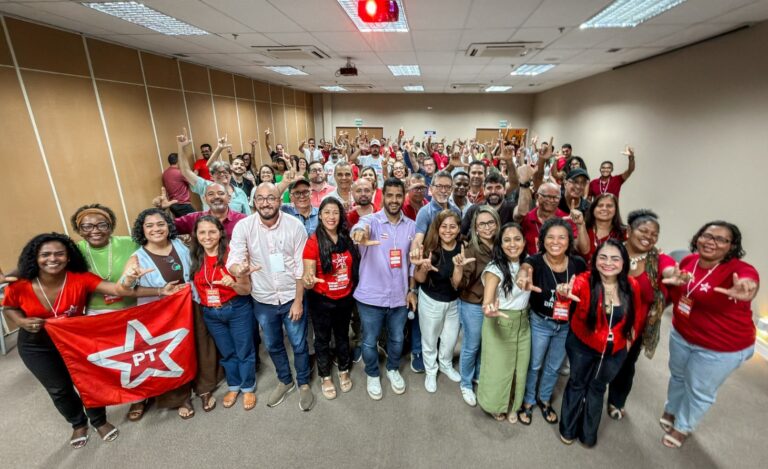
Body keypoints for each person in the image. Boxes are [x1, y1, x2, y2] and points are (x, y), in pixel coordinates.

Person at [1, 233, 179, 449]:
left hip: (74, 340)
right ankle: (78, 424)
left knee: (88, 381)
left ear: (68, 257)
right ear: (35, 258)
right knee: (58, 388)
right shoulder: (21, 284)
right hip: (36, 345)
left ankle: (99, 421)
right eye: (45, 255)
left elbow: (117, 290)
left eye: (59, 254)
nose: (52, 259)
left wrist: (144, 284)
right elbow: (9, 308)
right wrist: (21, 321)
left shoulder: (80, 278)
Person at [658, 221, 759, 449]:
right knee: (678, 376)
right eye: (707, 236)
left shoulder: (737, 270)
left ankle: (683, 426)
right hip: (682, 335)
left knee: (699, 390)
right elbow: (676, 288)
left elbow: (749, 278)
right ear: (698, 237)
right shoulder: (688, 262)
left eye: (721, 239)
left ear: (732, 246)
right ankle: (672, 409)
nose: (711, 242)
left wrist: (747, 286)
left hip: (720, 347)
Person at [227, 183, 315, 411]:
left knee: (298, 343)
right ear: (254, 202)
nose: (266, 202)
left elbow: (300, 267)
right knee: (274, 344)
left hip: (290, 296)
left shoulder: (294, 226)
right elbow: (234, 258)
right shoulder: (243, 227)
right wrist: (238, 270)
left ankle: (303, 382)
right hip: (263, 299)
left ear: (280, 200)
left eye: (271, 198)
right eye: (260, 198)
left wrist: (298, 301)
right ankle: (285, 380)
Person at [126, 208, 220, 420]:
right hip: (163, 314)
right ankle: (179, 397)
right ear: (142, 230)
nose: (156, 229)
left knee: (200, 345)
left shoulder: (180, 244)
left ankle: (204, 387)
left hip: (191, 303)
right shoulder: (137, 257)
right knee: (172, 352)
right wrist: (131, 278)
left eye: (160, 224)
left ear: (168, 226)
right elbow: (125, 286)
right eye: (149, 226)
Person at [557, 240, 643, 447]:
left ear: (624, 263)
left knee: (597, 388)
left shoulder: (632, 286)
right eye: (602, 257)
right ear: (595, 260)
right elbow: (567, 294)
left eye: (615, 258)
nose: (608, 263)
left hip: (615, 352)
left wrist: (627, 345)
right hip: (582, 347)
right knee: (577, 384)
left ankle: (588, 433)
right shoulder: (583, 281)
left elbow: (636, 318)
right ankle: (567, 429)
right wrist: (562, 291)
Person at [515, 217, 588, 425]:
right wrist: (522, 276)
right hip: (540, 322)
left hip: (566, 325)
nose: (556, 242)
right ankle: (528, 401)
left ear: (569, 240)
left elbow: (585, 290)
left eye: (562, 237)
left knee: (554, 366)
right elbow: (525, 269)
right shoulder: (535, 261)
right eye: (550, 237)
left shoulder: (578, 264)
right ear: (542, 240)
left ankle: (544, 399)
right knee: (535, 365)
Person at [351, 178, 417, 400]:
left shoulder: (411, 226)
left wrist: (411, 290)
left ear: (403, 196)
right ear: (383, 196)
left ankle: (392, 369)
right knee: (369, 340)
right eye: (390, 195)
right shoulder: (371, 220)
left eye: (399, 195)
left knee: (397, 339)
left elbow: (412, 262)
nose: (394, 200)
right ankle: (372, 373)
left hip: (399, 297)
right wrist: (359, 234)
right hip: (371, 297)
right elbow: (360, 229)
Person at [607, 210, 675, 420]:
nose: (649, 236)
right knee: (597, 359)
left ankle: (616, 400)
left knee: (625, 365)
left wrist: (675, 274)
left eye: (654, 234)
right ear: (629, 231)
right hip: (605, 319)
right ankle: (590, 393)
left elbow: (670, 270)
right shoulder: (612, 250)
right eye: (643, 230)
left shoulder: (659, 259)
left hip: (635, 326)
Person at [189, 216, 257, 411]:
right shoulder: (195, 256)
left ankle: (248, 387)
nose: (207, 236)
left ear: (220, 233)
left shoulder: (231, 256)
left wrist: (234, 283)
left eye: (212, 231)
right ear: (196, 235)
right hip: (211, 312)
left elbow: (246, 290)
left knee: (244, 350)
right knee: (227, 352)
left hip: (236, 308)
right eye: (202, 232)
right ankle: (234, 386)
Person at [302, 198, 359, 399]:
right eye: (327, 212)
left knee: (343, 335)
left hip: (345, 297)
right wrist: (308, 280)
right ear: (320, 215)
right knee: (323, 339)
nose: (331, 217)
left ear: (341, 215)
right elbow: (308, 276)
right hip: (321, 300)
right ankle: (325, 376)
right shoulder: (312, 241)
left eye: (335, 212)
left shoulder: (346, 237)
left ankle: (344, 370)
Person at [478, 222, 532, 421]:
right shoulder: (495, 268)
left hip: (524, 322)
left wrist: (526, 269)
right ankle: (495, 405)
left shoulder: (527, 263)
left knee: (520, 367)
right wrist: (489, 309)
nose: (512, 244)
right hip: (500, 321)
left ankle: (514, 405)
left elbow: (529, 266)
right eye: (506, 240)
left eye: (517, 239)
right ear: (500, 245)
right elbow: (487, 301)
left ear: (525, 242)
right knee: (498, 368)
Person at [411, 210, 465, 393]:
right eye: (444, 226)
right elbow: (418, 278)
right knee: (430, 339)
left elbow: (457, 284)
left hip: (453, 302)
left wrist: (459, 268)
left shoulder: (463, 248)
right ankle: (431, 370)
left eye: (453, 226)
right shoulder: (430, 247)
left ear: (459, 229)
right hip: (431, 300)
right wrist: (424, 269)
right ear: (437, 227)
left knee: (450, 339)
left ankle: (445, 364)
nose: (448, 230)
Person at [456, 206, 501, 406]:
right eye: (482, 223)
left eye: (490, 222)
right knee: (471, 345)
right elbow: (460, 284)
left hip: (494, 305)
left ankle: (479, 375)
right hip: (472, 304)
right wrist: (460, 268)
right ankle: (466, 383)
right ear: (475, 227)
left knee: (486, 344)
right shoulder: (471, 249)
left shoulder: (501, 246)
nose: (487, 227)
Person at [71, 204, 139, 314]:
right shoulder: (74, 250)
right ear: (79, 230)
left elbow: (160, 239)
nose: (95, 230)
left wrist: (162, 210)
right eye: (87, 226)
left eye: (102, 225)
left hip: (134, 306)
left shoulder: (131, 243)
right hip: (96, 312)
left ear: (111, 227)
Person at [176, 131, 251, 215]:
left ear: (231, 174)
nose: (222, 174)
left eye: (226, 172)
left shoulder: (240, 193)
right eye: (218, 172)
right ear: (212, 176)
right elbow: (186, 171)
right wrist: (181, 147)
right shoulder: (205, 187)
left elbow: (247, 217)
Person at [515, 181, 588, 256]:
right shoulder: (527, 218)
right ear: (537, 196)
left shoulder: (567, 219)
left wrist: (581, 224)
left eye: (556, 197)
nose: (551, 200)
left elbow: (584, 250)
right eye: (547, 196)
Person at [159, 183, 247, 239]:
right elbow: (166, 227)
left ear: (229, 198)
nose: (216, 197)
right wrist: (162, 210)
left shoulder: (243, 220)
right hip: (204, 266)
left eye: (221, 193)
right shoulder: (194, 219)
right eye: (211, 194)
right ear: (205, 199)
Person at [583, 194, 626, 264]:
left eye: (609, 206)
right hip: (581, 274)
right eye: (600, 205)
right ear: (593, 209)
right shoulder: (583, 229)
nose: (604, 208)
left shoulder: (623, 233)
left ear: (616, 210)